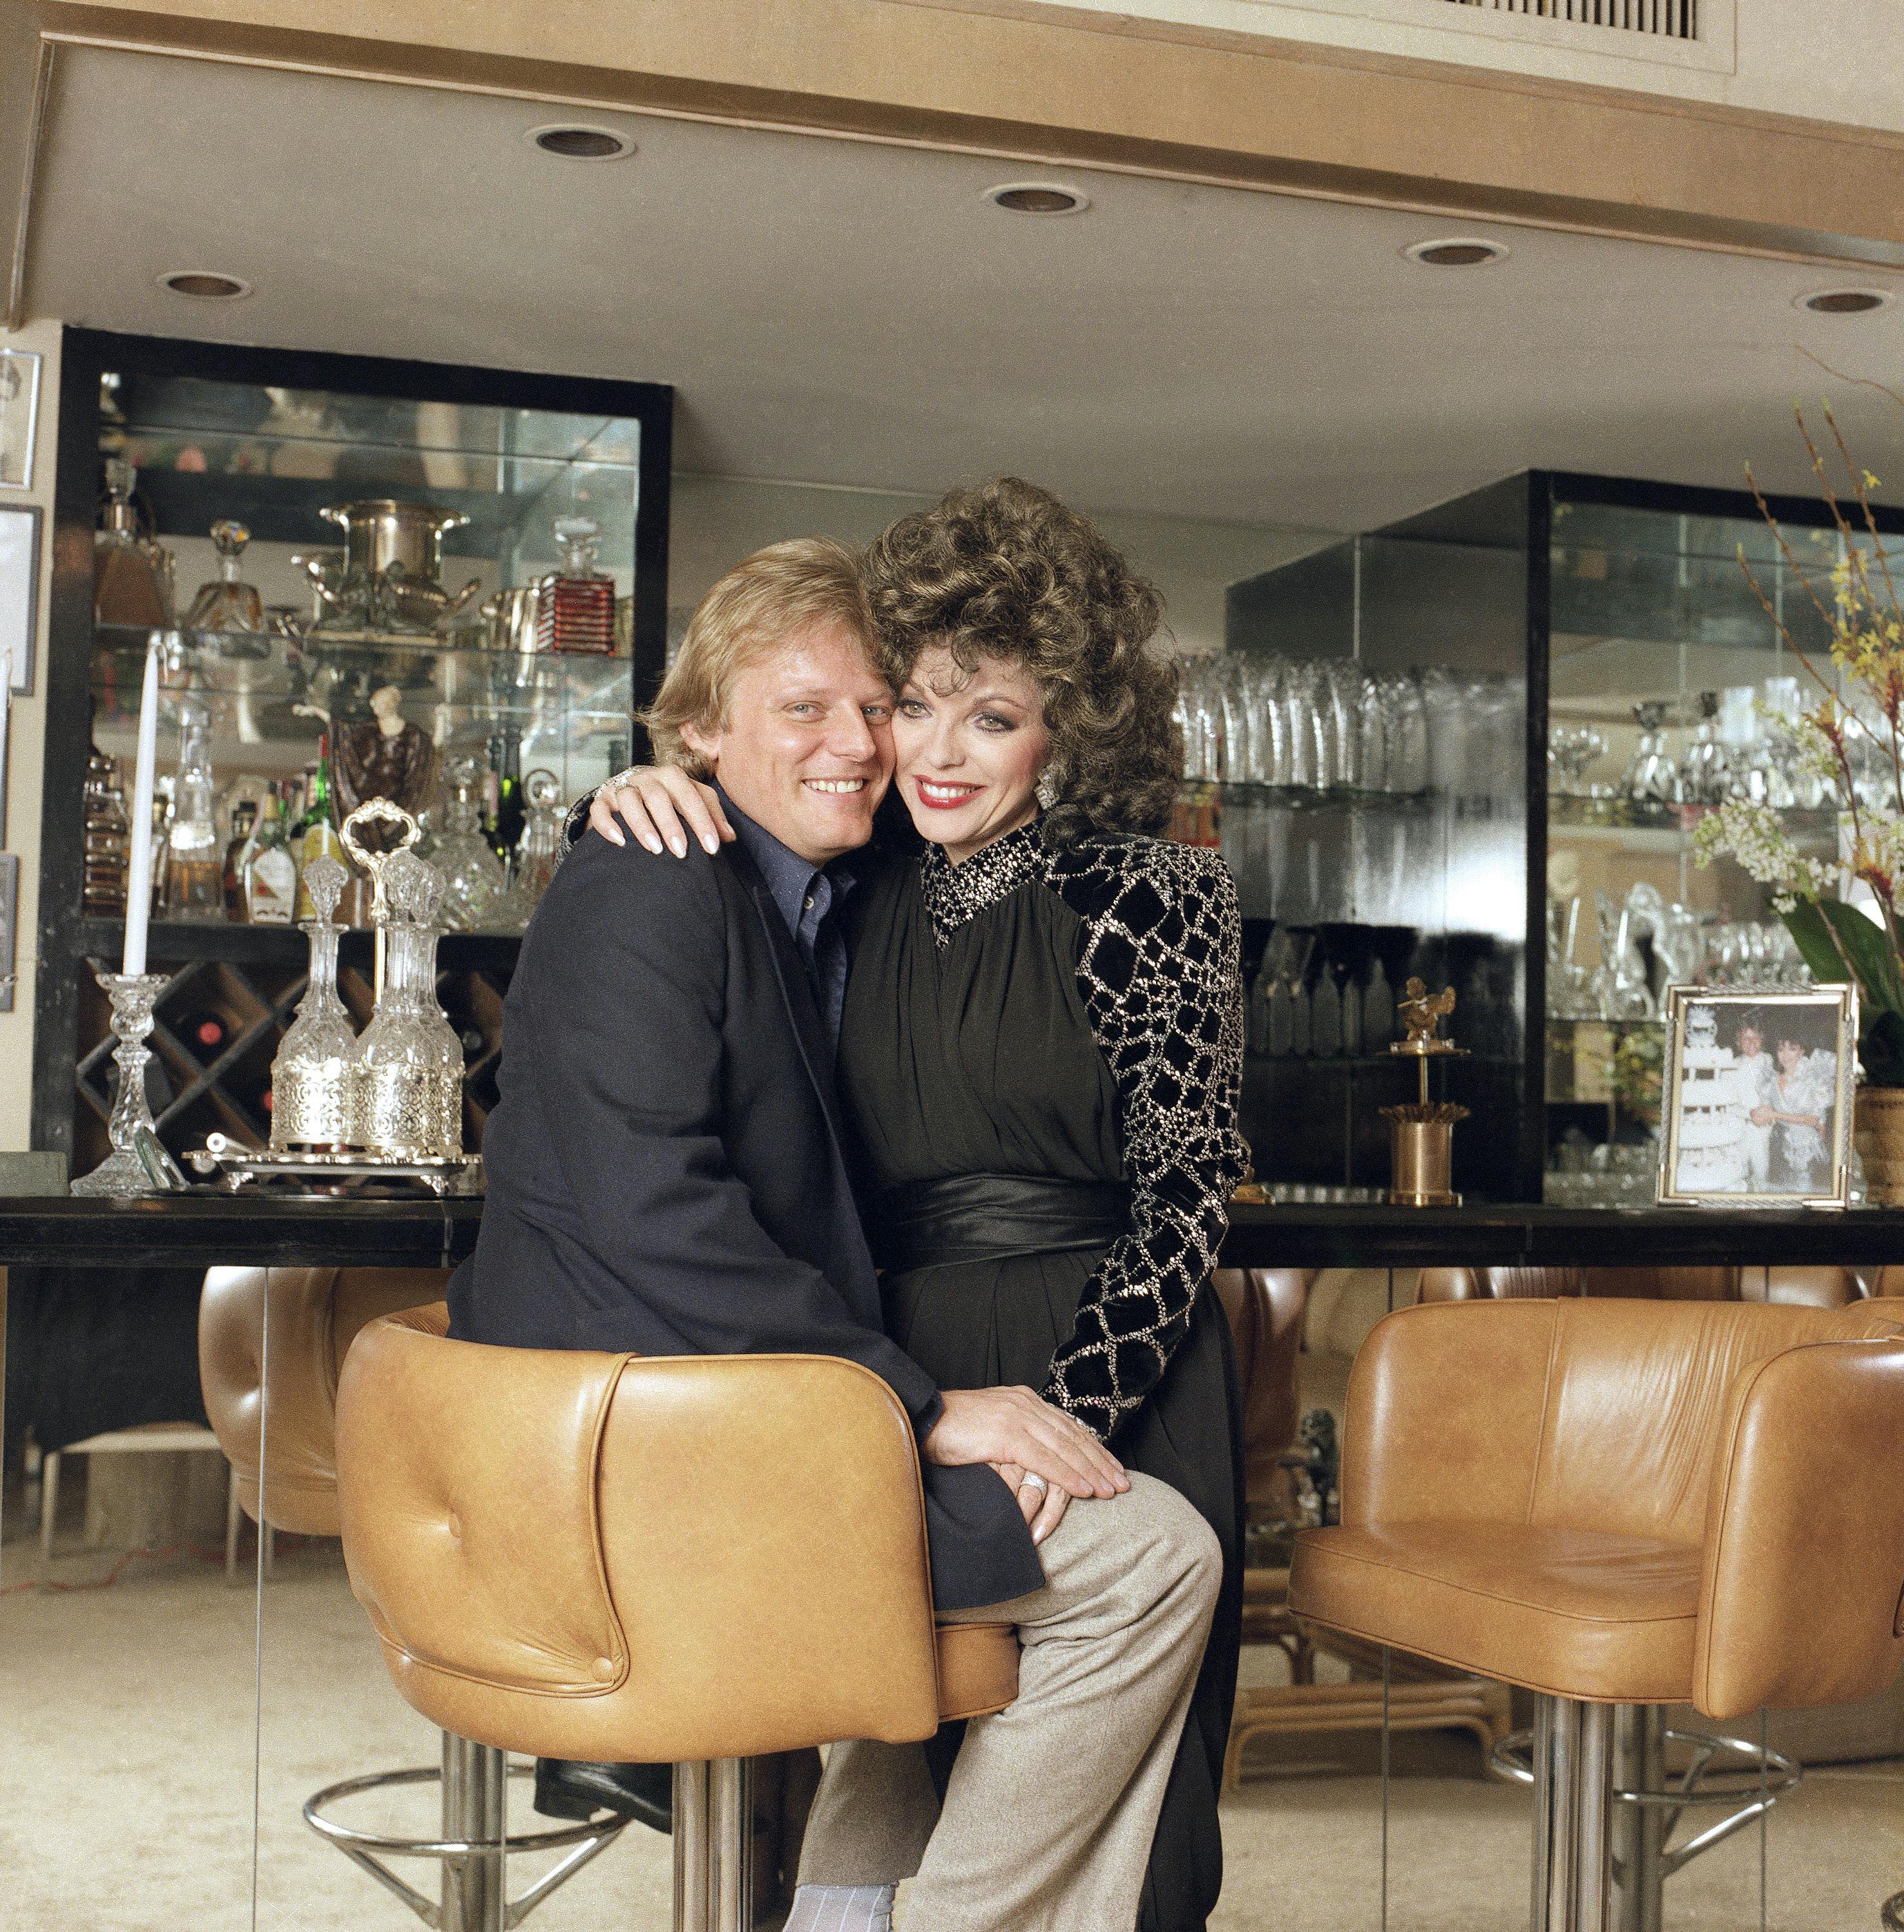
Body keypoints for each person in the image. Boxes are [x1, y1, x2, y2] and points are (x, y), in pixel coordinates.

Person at [452, 533, 1223, 1932]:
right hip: (658, 1452)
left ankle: (848, 1910)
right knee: (1155, 1558)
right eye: (810, 707)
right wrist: (918, 1400)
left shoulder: (826, 889)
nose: (870, 742)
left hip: (749, 1414)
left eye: (877, 703)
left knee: (1009, 1620)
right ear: (698, 734)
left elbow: (1181, 1180)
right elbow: (653, 1209)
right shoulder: (654, 873)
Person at [1753, 1028, 1838, 1192]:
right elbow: (1767, 1115)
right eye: (1781, 1050)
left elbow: (1813, 1120)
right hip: (1782, 1150)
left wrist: (1774, 1114)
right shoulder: (1772, 1081)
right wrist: (1758, 1115)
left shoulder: (1812, 1080)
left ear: (1801, 1052)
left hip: (1809, 1151)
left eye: (1792, 1049)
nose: (1786, 1055)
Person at [1733, 1017, 1776, 1190]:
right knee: (1739, 1168)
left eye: (1755, 1038)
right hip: (1740, 1126)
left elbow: (1777, 1092)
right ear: (1738, 1042)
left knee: (1761, 1167)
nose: (1751, 1042)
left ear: (1762, 1040)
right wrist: (1748, 1114)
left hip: (1764, 1126)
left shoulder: (1770, 1061)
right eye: (1745, 1039)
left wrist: (1771, 1115)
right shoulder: (1732, 1066)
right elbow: (1729, 1101)